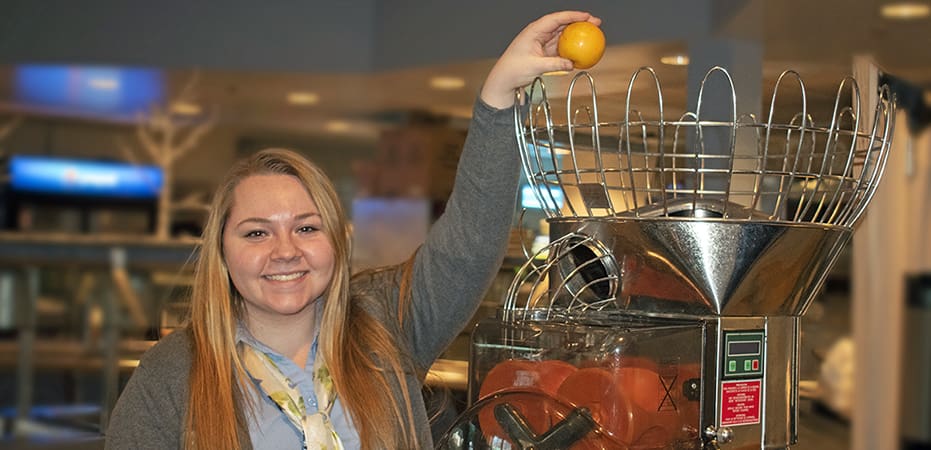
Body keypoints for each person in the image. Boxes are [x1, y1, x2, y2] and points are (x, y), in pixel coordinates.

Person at [104, 10, 602, 450]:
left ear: (338, 240)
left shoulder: (386, 323)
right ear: (221, 250)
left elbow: (468, 246)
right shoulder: (171, 375)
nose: (285, 251)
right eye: (256, 233)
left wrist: (496, 99)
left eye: (306, 227)